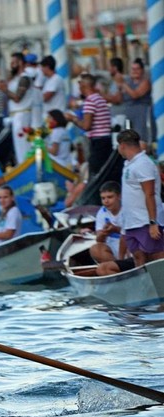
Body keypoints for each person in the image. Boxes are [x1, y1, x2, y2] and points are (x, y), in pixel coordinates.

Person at [115, 129, 164, 266]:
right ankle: (144, 286)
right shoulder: (129, 165)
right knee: (138, 257)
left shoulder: (143, 164)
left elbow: (149, 194)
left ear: (122, 145)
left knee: (156, 256)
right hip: (132, 222)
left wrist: (153, 222)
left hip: (145, 220)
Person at [66, 74, 112, 182]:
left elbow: (86, 126)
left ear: (84, 86)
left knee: (96, 174)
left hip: (98, 142)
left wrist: (73, 118)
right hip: (106, 140)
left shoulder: (90, 101)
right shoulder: (100, 98)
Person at [88, 181, 134, 275]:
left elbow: (127, 233)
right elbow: (99, 240)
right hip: (112, 248)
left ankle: (119, 266)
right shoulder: (101, 212)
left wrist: (115, 229)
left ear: (119, 196)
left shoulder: (128, 209)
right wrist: (103, 233)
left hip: (129, 246)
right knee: (95, 249)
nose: (106, 201)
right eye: (103, 198)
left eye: (110, 197)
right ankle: (117, 268)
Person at [118, 58, 153, 144]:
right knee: (127, 138)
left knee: (141, 137)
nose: (135, 71)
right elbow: (119, 97)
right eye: (133, 69)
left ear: (142, 70)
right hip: (128, 112)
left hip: (141, 112)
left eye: (137, 69)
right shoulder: (128, 82)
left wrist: (123, 84)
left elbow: (135, 95)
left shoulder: (145, 82)